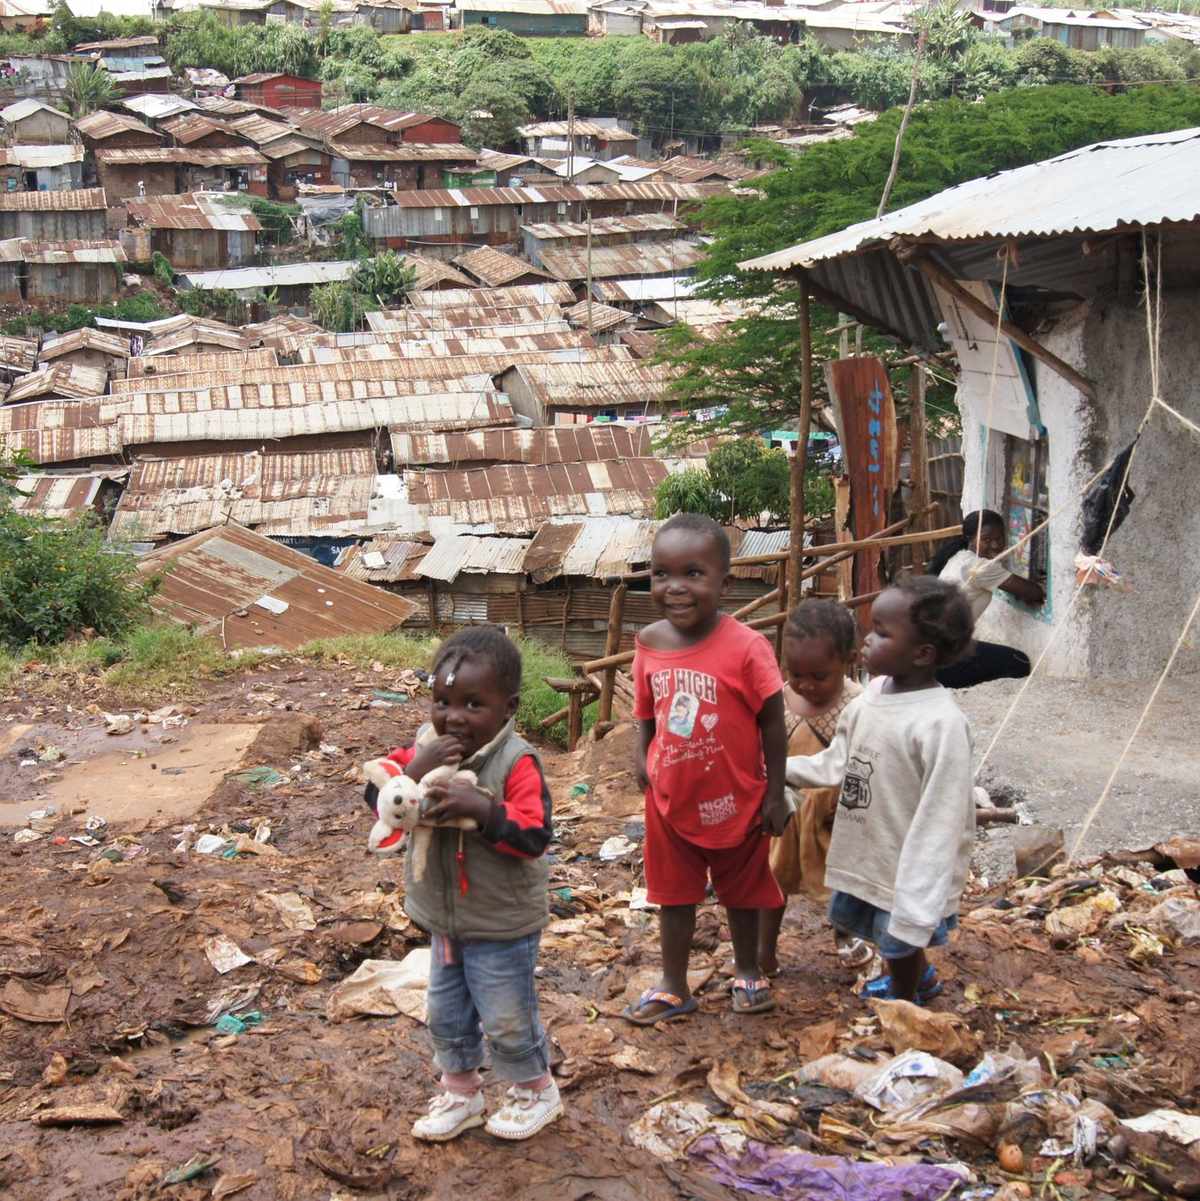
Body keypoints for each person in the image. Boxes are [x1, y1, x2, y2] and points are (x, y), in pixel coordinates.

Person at [362, 626, 561, 1142]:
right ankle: (461, 1093)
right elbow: (376, 796)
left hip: (501, 922)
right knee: (446, 1013)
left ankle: (536, 1090)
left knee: (505, 1014)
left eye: (474, 703)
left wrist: (485, 809)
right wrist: (412, 768)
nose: (454, 716)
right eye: (442, 700)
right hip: (444, 918)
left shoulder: (517, 762)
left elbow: (536, 835)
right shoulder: (424, 749)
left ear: (508, 707)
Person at [624, 513, 790, 1025]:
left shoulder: (746, 648)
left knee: (742, 891)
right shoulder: (649, 642)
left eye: (693, 574)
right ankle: (675, 985)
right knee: (673, 896)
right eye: (661, 574)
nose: (675, 588)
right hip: (671, 800)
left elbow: (773, 722)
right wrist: (641, 755)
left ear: (725, 582)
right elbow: (647, 710)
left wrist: (775, 793)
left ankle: (746, 969)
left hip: (738, 797)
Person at [786, 576, 975, 1005]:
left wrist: (924, 878)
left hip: (909, 858)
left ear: (922, 653)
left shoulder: (939, 723)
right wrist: (784, 770)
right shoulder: (870, 699)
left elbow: (944, 815)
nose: (867, 641)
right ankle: (917, 979)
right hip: (872, 848)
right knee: (886, 930)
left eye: (883, 633)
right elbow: (838, 761)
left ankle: (903, 1001)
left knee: (900, 936)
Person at [758, 599, 864, 978]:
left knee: (844, 887)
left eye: (819, 676)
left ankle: (847, 938)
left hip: (837, 817)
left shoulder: (858, 704)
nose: (805, 684)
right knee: (772, 886)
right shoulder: (777, 700)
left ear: (849, 661)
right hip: (784, 812)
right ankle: (764, 954)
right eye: (795, 672)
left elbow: (863, 760)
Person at [929, 509, 1044, 688]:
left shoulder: (959, 557)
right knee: (1019, 662)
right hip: (942, 659)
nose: (996, 545)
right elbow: (1035, 592)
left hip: (931, 649)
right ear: (970, 538)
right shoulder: (978, 566)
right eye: (987, 540)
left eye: (999, 538)